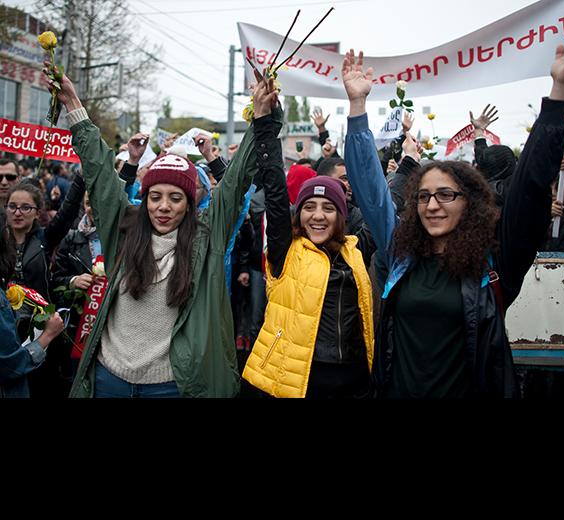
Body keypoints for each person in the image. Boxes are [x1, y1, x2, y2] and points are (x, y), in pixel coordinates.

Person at [342, 14, 564, 398]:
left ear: (469, 203)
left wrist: (557, 97)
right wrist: (357, 110)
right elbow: (370, 189)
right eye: (423, 196)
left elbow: (530, 187)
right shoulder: (401, 255)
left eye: (445, 195)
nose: (432, 205)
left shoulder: (493, 265)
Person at [43, 62, 282, 398]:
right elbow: (98, 172)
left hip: (171, 386)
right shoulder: (124, 230)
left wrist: (262, 116)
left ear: (190, 203)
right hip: (108, 380)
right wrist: (72, 104)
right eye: (155, 197)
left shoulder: (205, 239)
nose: (164, 206)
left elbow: (235, 182)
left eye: (175, 198)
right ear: (145, 198)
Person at [242, 158, 375, 397]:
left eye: (328, 208)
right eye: (309, 207)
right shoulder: (285, 249)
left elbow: (382, 207)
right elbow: (275, 193)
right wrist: (265, 126)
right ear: (298, 212)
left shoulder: (355, 250)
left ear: (342, 216)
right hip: (299, 377)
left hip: (353, 376)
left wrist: (406, 162)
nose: (318, 216)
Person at [1, 231, 65, 398]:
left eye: (25, 207)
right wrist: (47, 336)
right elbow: (9, 365)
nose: (17, 213)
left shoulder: (42, 241)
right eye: (12, 206)